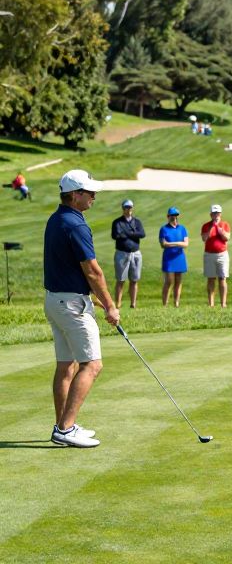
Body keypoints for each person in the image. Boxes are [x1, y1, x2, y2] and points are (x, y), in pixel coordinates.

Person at [43, 169, 119, 448]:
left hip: (56, 300)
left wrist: (91, 297)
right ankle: (65, 428)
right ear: (75, 195)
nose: (94, 196)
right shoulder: (76, 225)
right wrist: (110, 305)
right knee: (92, 364)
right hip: (72, 305)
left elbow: (67, 266)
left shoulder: (57, 219)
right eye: (89, 192)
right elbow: (93, 271)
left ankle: (63, 425)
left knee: (67, 365)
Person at [110, 199, 145, 310]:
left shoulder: (137, 222)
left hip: (135, 253)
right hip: (122, 253)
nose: (128, 209)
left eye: (130, 207)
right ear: (123, 208)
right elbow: (116, 235)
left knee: (134, 280)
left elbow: (142, 234)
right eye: (126, 207)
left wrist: (127, 233)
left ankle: (133, 304)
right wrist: (133, 234)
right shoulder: (117, 222)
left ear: (132, 208)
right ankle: (118, 304)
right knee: (121, 279)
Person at [201, 204, 231, 308]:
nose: (216, 215)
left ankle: (223, 303)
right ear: (211, 214)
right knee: (211, 279)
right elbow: (204, 238)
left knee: (222, 278)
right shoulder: (206, 225)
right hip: (209, 254)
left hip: (222, 255)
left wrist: (220, 230)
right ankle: (211, 304)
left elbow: (226, 238)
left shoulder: (225, 224)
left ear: (220, 214)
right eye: (214, 213)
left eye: (217, 213)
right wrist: (211, 228)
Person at [159, 207, 188, 307]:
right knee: (169, 281)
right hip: (168, 258)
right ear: (168, 216)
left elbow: (186, 244)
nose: (174, 217)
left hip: (179, 257)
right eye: (172, 215)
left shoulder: (182, 228)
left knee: (178, 281)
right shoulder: (164, 229)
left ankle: (176, 303)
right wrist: (179, 243)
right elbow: (163, 244)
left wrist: (172, 243)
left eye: (176, 215)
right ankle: (165, 304)